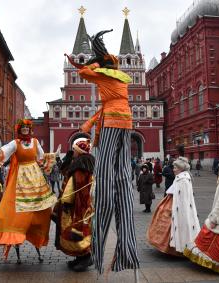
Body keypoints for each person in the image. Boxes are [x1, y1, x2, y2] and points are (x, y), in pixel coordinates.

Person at [68, 30, 139, 274]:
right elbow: (106, 107)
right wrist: (87, 126)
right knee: (122, 172)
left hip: (111, 124)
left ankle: (98, 248)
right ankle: (127, 250)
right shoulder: (119, 80)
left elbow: (83, 71)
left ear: (104, 65)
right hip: (126, 122)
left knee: (106, 173)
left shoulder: (103, 76)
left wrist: (93, 62)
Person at [0, 119, 59, 261]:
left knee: (39, 210)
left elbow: (42, 158)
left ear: (30, 129)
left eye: (27, 127)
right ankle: (16, 232)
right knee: (17, 208)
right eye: (23, 127)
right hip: (20, 178)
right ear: (20, 129)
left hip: (35, 179)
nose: (25, 129)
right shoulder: (15, 143)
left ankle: (36, 233)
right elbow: (5, 152)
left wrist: (53, 156)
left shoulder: (35, 142)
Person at [54, 138, 95, 272]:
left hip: (78, 207)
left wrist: (67, 201)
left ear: (80, 152)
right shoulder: (77, 163)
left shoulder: (81, 168)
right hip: (73, 205)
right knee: (72, 230)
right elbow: (64, 171)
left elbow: (77, 187)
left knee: (79, 230)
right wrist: (68, 157)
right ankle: (78, 257)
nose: (74, 153)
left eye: (75, 151)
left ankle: (86, 256)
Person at [166, 157, 200, 253]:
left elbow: (184, 199)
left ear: (180, 169)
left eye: (175, 168)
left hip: (182, 210)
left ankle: (184, 247)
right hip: (179, 208)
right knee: (181, 226)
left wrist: (178, 210)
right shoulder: (179, 178)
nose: (173, 169)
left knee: (184, 226)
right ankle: (182, 246)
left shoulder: (183, 180)